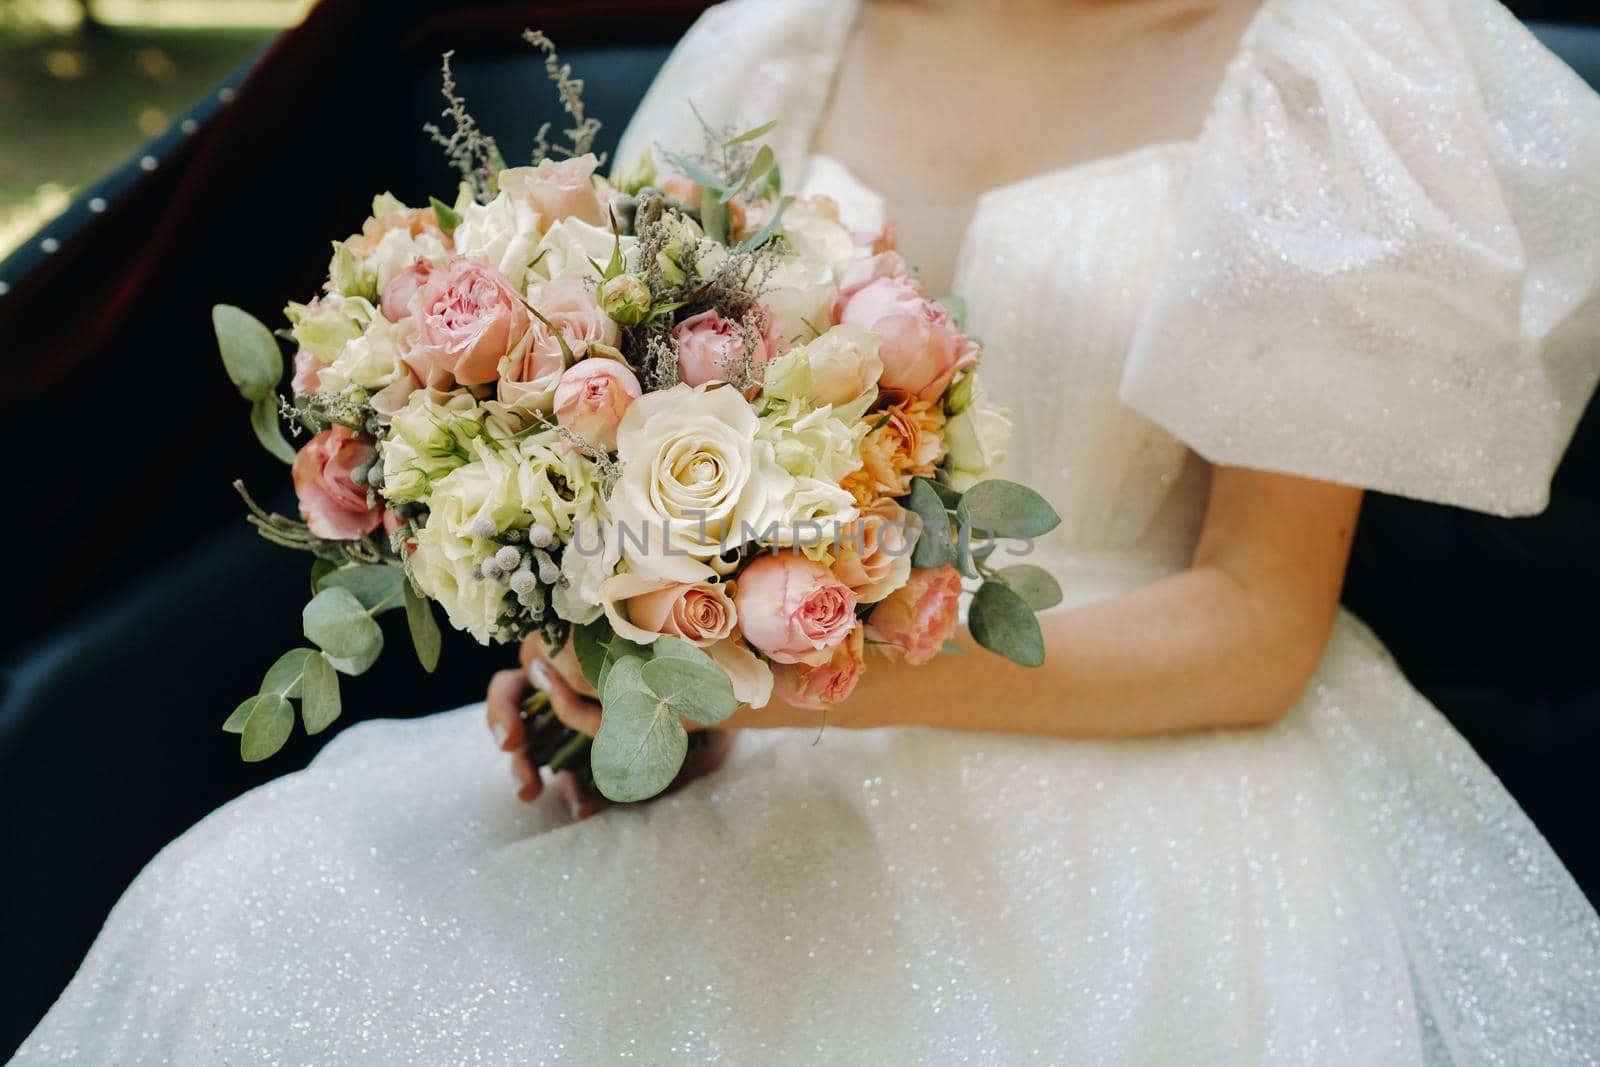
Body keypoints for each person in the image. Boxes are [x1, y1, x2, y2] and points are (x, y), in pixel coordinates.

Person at [15, 0, 1600, 1062]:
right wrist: (624, 669)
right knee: (252, 912)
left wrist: (812, 682)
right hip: (770, 715)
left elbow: (1256, 624)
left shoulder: (1330, 60)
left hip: (1145, 746)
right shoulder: (775, 41)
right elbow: (613, 430)